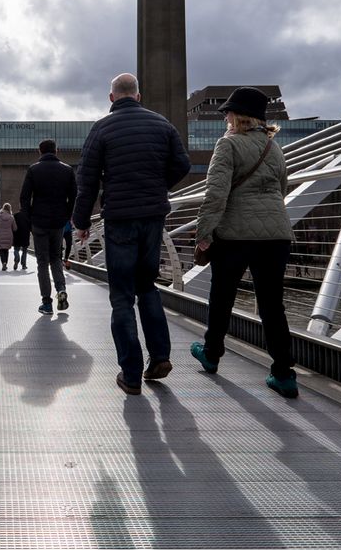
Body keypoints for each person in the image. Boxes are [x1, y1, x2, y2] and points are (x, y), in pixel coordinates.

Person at [72, 73, 190, 395]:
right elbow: (182, 164)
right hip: (153, 217)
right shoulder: (162, 125)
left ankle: (131, 374)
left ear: (111, 98)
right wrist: (156, 187)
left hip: (120, 218)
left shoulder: (102, 128)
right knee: (147, 286)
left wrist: (80, 222)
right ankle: (161, 356)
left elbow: (88, 181)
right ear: (138, 96)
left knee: (122, 295)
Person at [189, 87, 299, 398]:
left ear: (237, 117)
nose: (224, 116)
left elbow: (215, 194)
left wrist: (204, 234)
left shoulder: (228, 145)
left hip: (235, 235)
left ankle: (211, 354)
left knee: (222, 296)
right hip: (276, 235)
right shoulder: (273, 147)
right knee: (272, 304)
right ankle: (283, 373)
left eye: (228, 112)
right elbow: (282, 189)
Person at [19, 139, 77, 313]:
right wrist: (66, 215)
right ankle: (61, 289)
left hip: (39, 222)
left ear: (39, 151)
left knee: (42, 262)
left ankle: (47, 303)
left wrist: (29, 219)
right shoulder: (67, 170)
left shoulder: (33, 170)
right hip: (58, 222)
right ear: (56, 151)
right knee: (56, 259)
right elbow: (74, 196)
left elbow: (24, 198)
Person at [0, 203, 17, 271]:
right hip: (9, 235)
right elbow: (15, 228)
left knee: (1, 250)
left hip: (0, 235)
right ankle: (5, 263)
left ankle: (3, 263)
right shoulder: (11, 217)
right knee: (6, 250)